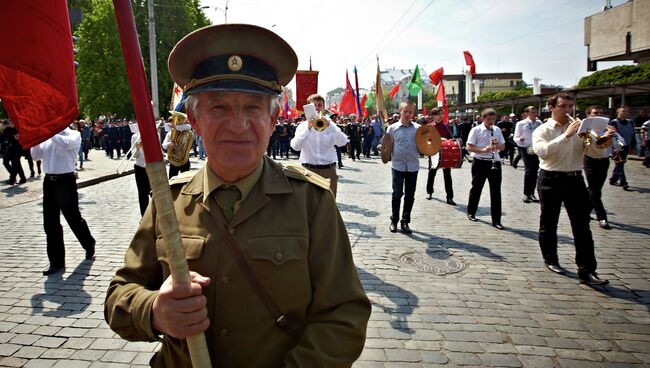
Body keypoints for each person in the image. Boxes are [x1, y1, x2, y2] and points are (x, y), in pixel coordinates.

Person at [105, 24, 370, 367]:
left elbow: (344, 315)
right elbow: (119, 296)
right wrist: (155, 310)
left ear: (274, 119)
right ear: (195, 122)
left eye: (253, 108)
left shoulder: (311, 202)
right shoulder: (168, 200)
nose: (238, 124)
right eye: (219, 108)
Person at [532, 92, 608, 286]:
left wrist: (602, 140)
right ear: (552, 107)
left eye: (569, 106)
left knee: (582, 226)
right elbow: (543, 152)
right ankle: (551, 259)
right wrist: (566, 136)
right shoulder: (542, 130)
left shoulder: (581, 129)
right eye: (563, 106)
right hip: (550, 178)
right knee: (549, 222)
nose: (567, 110)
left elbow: (593, 152)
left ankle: (587, 269)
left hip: (575, 179)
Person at [31, 126, 96, 276]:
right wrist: (35, 139)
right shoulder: (48, 136)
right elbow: (35, 156)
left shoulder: (74, 134)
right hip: (49, 181)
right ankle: (56, 261)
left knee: (73, 218)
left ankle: (88, 242)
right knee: (50, 223)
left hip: (65, 181)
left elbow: (66, 144)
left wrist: (49, 132)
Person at [290, 93, 349, 197]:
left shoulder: (331, 125)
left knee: (328, 205)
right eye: (314, 106)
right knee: (309, 205)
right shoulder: (302, 126)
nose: (317, 108)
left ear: (324, 107)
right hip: (308, 170)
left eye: (320, 105)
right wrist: (307, 129)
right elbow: (295, 146)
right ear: (308, 108)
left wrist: (331, 126)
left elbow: (343, 142)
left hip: (328, 170)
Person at [582, 105, 622, 230]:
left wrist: (615, 139)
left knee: (594, 189)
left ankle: (584, 213)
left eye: (601, 112)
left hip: (604, 162)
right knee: (595, 191)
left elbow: (621, 143)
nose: (599, 115)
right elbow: (590, 145)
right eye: (595, 113)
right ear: (588, 115)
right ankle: (602, 217)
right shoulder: (586, 130)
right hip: (590, 161)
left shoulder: (608, 128)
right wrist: (606, 137)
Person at [465, 108, 505, 230]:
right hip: (480, 162)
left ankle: (496, 219)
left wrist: (497, 145)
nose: (491, 122)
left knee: (496, 191)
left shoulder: (497, 130)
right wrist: (483, 150)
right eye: (489, 119)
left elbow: (503, 146)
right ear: (483, 119)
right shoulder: (476, 130)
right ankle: (471, 212)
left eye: (493, 119)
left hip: (494, 162)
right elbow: (469, 147)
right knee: (477, 188)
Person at [385, 101, 420, 234]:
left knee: (410, 195)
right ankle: (394, 220)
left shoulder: (418, 128)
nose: (407, 114)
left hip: (413, 166)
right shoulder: (392, 128)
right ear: (400, 111)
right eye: (405, 111)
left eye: (410, 112)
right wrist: (382, 149)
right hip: (398, 166)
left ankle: (405, 222)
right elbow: (387, 146)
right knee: (397, 193)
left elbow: (424, 145)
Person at [425, 108, 456, 205]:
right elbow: (426, 140)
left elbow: (451, 139)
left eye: (442, 114)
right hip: (434, 152)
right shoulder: (429, 126)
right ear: (433, 116)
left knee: (447, 175)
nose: (441, 116)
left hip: (446, 152)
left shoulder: (446, 126)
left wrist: (449, 140)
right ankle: (429, 192)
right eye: (438, 114)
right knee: (432, 172)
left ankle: (450, 197)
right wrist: (438, 139)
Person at [514, 106, 542, 203]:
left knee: (535, 171)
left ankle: (532, 193)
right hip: (525, 148)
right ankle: (527, 193)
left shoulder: (539, 123)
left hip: (536, 148)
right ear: (527, 113)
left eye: (536, 112)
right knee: (529, 170)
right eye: (533, 112)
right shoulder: (521, 124)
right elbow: (515, 137)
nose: (535, 113)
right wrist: (519, 139)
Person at [608, 106, 635, 190]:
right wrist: (616, 147)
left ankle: (613, 179)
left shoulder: (630, 122)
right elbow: (614, 136)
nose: (625, 113)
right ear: (618, 112)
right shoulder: (613, 122)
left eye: (627, 111)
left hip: (626, 146)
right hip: (617, 147)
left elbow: (632, 134)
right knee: (619, 163)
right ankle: (624, 182)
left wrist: (633, 146)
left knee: (620, 164)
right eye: (623, 111)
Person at [162, 114, 192, 179]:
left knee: (185, 182)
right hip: (174, 160)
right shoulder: (169, 133)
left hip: (184, 160)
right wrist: (169, 144)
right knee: (172, 181)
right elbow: (163, 145)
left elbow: (189, 126)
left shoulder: (185, 130)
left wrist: (176, 127)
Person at [1, 119, 27, 185]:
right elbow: (3, 140)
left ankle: (12, 180)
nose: (9, 122)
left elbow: (17, 138)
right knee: (13, 164)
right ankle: (22, 178)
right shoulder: (7, 130)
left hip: (17, 149)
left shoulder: (17, 129)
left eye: (10, 121)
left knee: (15, 164)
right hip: (9, 150)